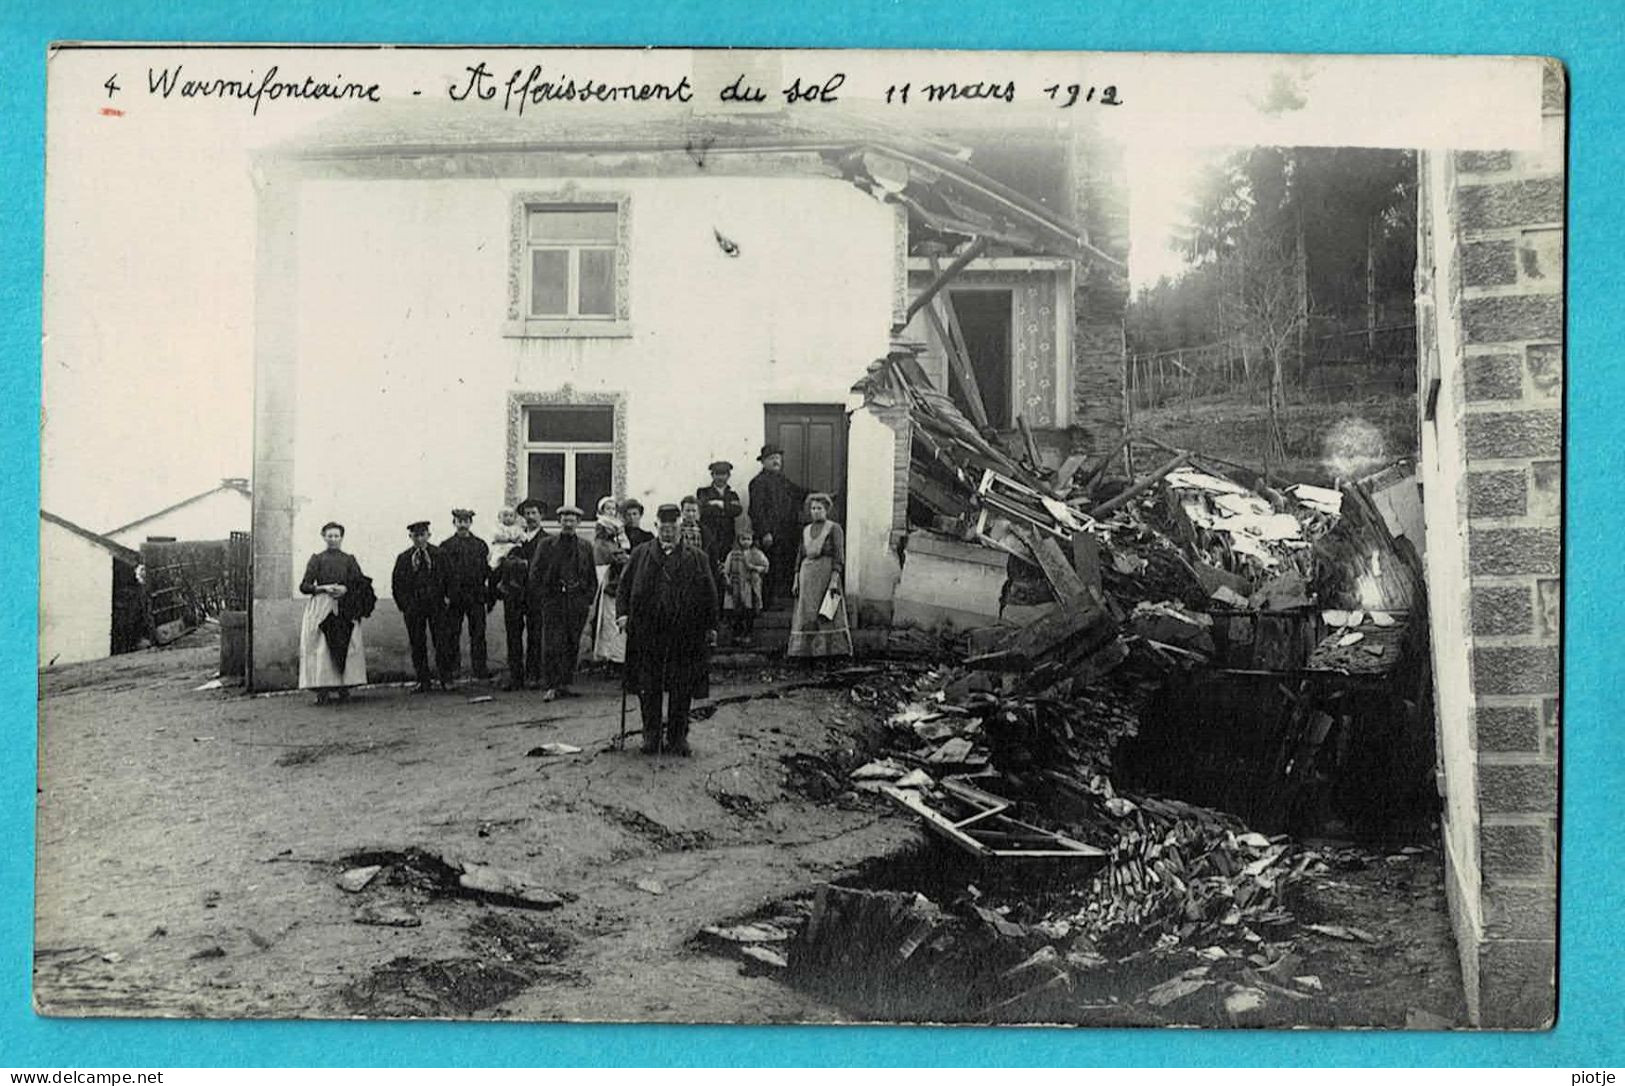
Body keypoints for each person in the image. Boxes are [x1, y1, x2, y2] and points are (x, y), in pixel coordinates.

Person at [616, 504, 718, 756]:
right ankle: (651, 736)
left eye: (673, 527)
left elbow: (710, 594)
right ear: (656, 527)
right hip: (647, 632)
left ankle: (677, 737)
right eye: (663, 527)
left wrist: (711, 626)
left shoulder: (697, 557)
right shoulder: (641, 554)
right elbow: (624, 588)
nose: (668, 532)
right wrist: (622, 615)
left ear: (680, 528)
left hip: (685, 633)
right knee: (648, 686)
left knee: (681, 687)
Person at [297, 522, 375, 704]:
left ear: (342, 538)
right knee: (321, 647)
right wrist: (323, 588)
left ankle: (344, 687)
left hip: (345, 605)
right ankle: (321, 689)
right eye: (330, 536)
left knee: (347, 643)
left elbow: (360, 583)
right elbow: (304, 586)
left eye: (337, 536)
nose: (333, 539)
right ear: (323, 537)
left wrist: (346, 589)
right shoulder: (317, 559)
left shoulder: (349, 559)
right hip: (322, 607)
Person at [528, 504, 598, 701]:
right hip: (554, 600)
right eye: (565, 520)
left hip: (576, 601)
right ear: (559, 522)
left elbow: (591, 576)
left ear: (578, 523)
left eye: (572, 520)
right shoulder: (547, 544)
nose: (568, 523)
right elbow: (535, 573)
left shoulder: (585, 546)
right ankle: (551, 685)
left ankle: (565, 683)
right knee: (552, 643)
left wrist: (587, 599)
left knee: (571, 642)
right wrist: (544, 596)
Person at [786, 493, 853, 658]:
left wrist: (834, 579)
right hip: (807, 574)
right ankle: (805, 651)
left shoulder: (834, 528)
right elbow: (800, 555)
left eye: (819, 508)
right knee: (806, 611)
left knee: (827, 611)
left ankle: (829, 651)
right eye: (813, 508)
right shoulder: (806, 530)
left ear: (826, 510)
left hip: (825, 573)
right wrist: (796, 579)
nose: (815, 511)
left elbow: (839, 555)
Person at [391, 520, 453, 692]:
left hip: (437, 605)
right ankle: (423, 680)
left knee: (441, 642)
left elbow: (450, 578)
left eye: (422, 535)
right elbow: (397, 584)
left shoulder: (440, 554)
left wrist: (447, 598)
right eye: (415, 536)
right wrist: (405, 605)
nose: (419, 539)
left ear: (428, 535)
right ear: (410, 537)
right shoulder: (404, 558)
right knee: (417, 643)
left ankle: (446, 679)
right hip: (414, 607)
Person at [747, 443, 806, 608]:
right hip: (770, 536)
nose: (776, 462)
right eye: (772, 458)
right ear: (763, 462)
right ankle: (768, 605)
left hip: (787, 534)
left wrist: (819, 495)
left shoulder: (783, 481)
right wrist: (765, 532)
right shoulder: (758, 482)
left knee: (786, 567)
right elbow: (755, 511)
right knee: (769, 569)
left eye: (778, 458)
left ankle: (784, 601)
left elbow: (799, 492)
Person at [498, 497, 547, 690]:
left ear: (541, 515)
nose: (530, 517)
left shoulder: (548, 539)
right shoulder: (514, 536)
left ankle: (534, 675)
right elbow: (502, 559)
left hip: (535, 594)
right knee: (513, 635)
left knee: (535, 635)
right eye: (526, 513)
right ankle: (515, 676)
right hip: (514, 594)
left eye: (534, 513)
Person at [439, 508, 491, 680]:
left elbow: (485, 570)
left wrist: (486, 593)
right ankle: (454, 669)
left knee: (478, 634)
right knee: (452, 634)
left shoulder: (480, 545)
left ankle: (480, 669)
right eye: (459, 521)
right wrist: (445, 595)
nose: (463, 524)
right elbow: (442, 574)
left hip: (476, 596)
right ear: (454, 523)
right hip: (455, 597)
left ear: (470, 523)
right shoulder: (446, 546)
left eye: (466, 521)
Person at [586, 496, 631, 664]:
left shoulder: (615, 537)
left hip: (616, 574)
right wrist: (619, 557)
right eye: (608, 509)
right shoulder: (602, 538)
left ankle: (615, 654)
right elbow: (604, 553)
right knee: (606, 614)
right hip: (606, 573)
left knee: (614, 614)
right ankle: (606, 653)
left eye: (613, 509)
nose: (611, 512)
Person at [721, 528, 771, 646]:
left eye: (748, 539)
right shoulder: (732, 554)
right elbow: (726, 570)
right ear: (738, 540)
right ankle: (736, 635)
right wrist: (727, 580)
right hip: (735, 587)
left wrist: (755, 568)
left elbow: (766, 566)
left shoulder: (756, 553)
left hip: (749, 587)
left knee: (749, 612)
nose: (746, 542)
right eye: (743, 539)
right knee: (737, 613)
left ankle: (747, 634)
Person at [696, 460, 743, 582]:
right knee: (709, 565)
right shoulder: (703, 492)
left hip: (727, 535)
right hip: (709, 534)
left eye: (723, 474)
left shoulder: (732, 494)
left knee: (725, 567)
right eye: (717, 474)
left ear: (728, 476)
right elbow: (703, 509)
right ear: (712, 475)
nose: (720, 477)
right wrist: (726, 509)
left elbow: (737, 510)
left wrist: (719, 504)